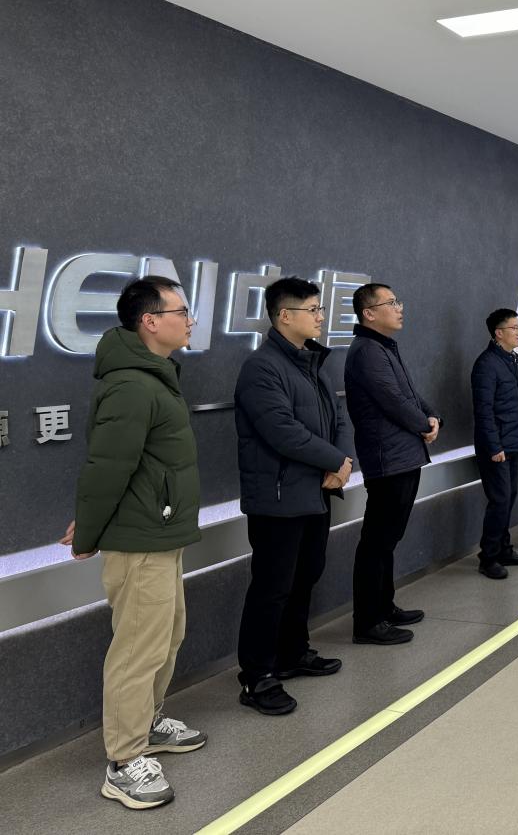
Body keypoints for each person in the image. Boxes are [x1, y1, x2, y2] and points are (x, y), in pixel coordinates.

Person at [60, 276, 206, 810]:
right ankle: (123, 761)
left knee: (166, 637)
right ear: (150, 321)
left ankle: (147, 722)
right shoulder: (131, 385)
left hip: (161, 531)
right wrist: (89, 530)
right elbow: (107, 466)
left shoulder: (155, 376)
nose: (189, 320)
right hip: (140, 537)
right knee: (138, 649)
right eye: (181, 311)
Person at [233, 277, 354, 716]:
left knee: (306, 575)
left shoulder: (312, 363)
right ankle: (257, 676)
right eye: (313, 309)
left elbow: (339, 417)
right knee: (272, 587)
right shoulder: (261, 368)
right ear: (285, 315)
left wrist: (342, 460)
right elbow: (282, 431)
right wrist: (335, 461)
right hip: (279, 496)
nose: (321, 317)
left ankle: (292, 652)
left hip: (315, 491)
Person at [344, 283, 440, 644]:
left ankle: (384, 607)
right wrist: (424, 425)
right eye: (391, 303)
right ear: (369, 313)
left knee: (387, 540)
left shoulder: (383, 346)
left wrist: (433, 416)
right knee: (377, 542)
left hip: (403, 455)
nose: (400, 307)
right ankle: (368, 622)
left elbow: (410, 395)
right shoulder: (367, 351)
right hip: (388, 459)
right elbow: (393, 401)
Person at [470, 308, 518, 579]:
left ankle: (504, 549)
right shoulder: (487, 364)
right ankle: (488, 558)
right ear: (498, 333)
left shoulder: (510, 360)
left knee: (508, 498)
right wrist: (495, 447)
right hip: (497, 447)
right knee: (499, 500)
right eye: (513, 328)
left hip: (513, 442)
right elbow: (483, 411)